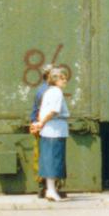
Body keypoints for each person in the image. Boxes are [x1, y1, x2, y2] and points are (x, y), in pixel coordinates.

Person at [28, 66, 71, 202]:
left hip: (49, 129)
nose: (65, 81)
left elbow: (42, 111)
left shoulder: (48, 91)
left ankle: (50, 190)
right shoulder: (57, 92)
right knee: (54, 160)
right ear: (55, 80)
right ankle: (51, 191)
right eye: (62, 78)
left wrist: (39, 123)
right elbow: (53, 111)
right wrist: (40, 124)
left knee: (48, 160)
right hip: (55, 130)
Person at [28, 63, 53, 199]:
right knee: (51, 157)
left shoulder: (40, 90)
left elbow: (35, 110)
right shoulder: (52, 91)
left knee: (40, 156)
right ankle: (51, 187)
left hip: (39, 126)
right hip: (49, 127)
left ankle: (41, 186)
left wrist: (33, 123)